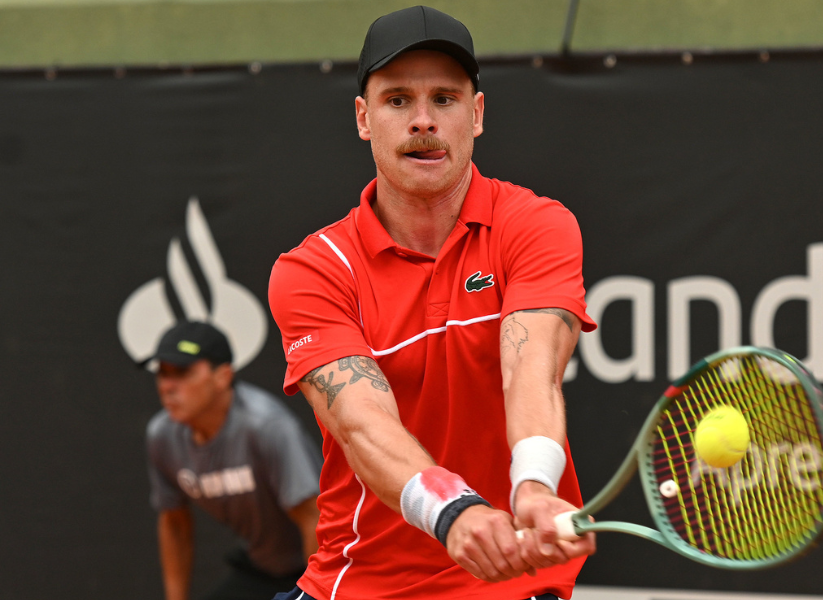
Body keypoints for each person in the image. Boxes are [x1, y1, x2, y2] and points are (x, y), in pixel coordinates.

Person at [267, 5, 598, 600]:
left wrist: (533, 485)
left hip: (512, 584)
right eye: (398, 101)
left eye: (444, 99)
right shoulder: (313, 270)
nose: (423, 121)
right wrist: (453, 512)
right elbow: (361, 425)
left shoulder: (537, 226)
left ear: (475, 114)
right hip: (360, 585)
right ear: (365, 119)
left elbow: (532, 371)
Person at [144, 321, 323, 600]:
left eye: (182, 372)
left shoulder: (267, 427)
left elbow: (314, 517)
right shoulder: (162, 436)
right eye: (162, 373)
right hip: (260, 568)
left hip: (316, 568)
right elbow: (174, 523)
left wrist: (316, 594)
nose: (167, 386)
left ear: (223, 376)